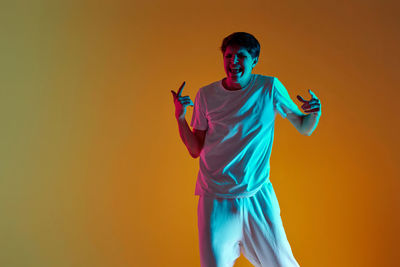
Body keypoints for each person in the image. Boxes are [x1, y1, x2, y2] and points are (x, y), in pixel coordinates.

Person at [171, 32, 321, 267]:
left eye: (240, 56)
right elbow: (195, 149)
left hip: (257, 196)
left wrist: (314, 112)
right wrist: (180, 118)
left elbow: (304, 127)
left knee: (283, 263)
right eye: (228, 56)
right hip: (215, 200)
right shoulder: (206, 95)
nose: (233, 62)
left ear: (254, 60)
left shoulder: (269, 87)